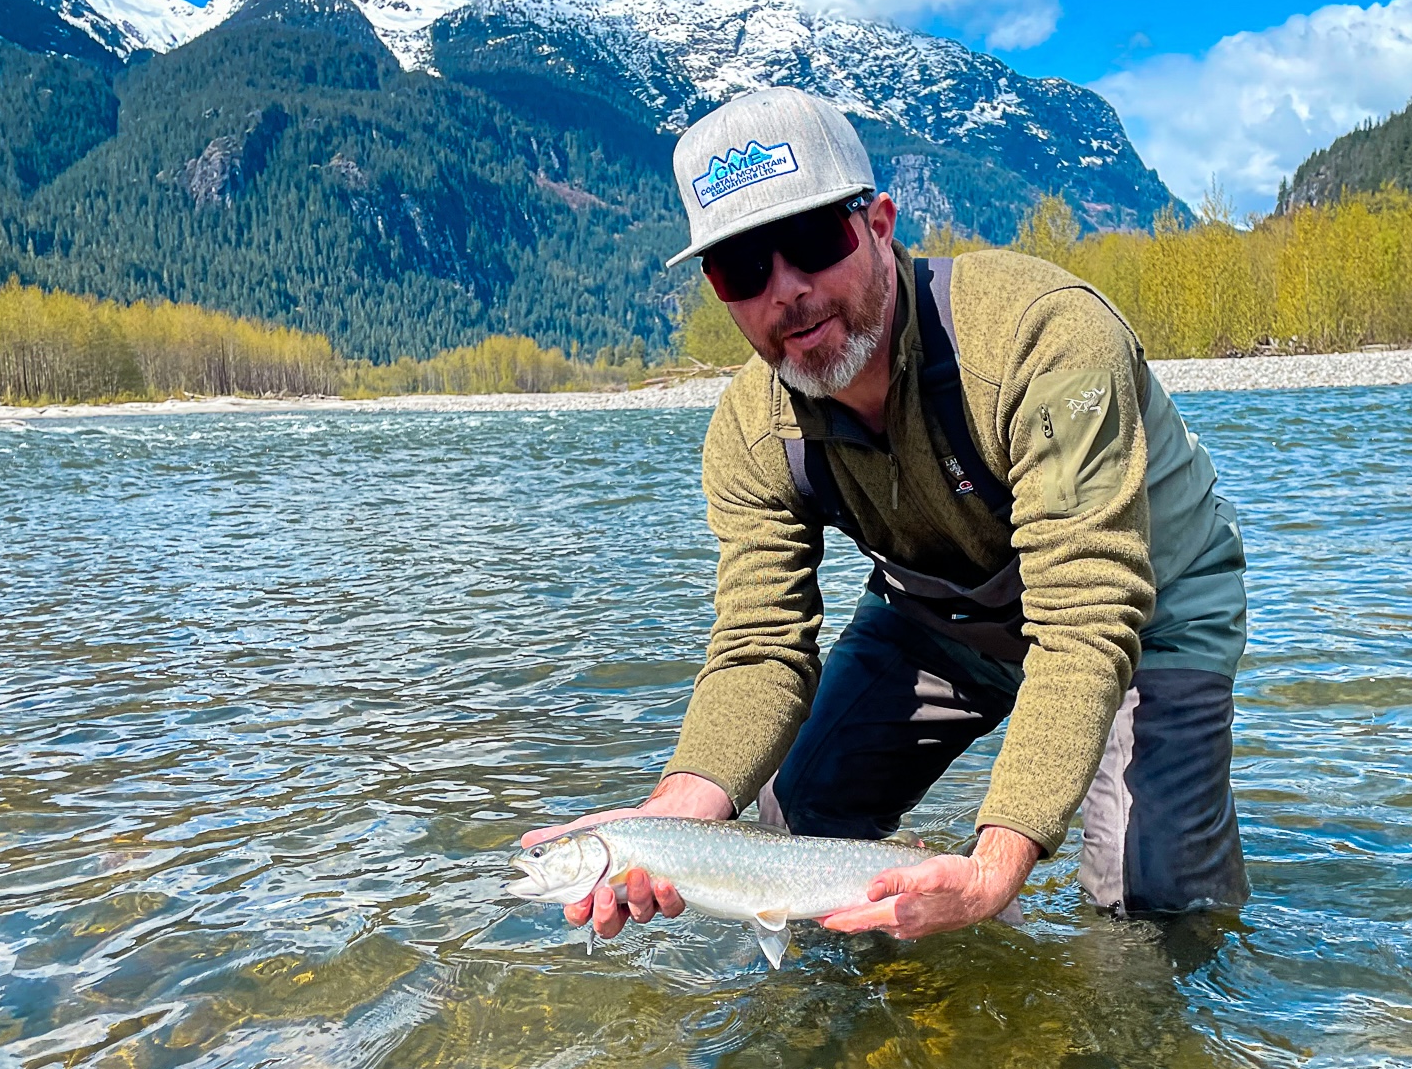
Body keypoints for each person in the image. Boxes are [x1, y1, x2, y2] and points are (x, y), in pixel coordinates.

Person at [523, 86, 1247, 944]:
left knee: (1148, 909)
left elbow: (1087, 617)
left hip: (1143, 614)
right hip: (937, 613)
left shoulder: (1044, 339)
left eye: (811, 242)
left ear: (880, 224)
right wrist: (666, 822)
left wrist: (994, 863)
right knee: (793, 823)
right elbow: (760, 645)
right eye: (742, 270)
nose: (785, 292)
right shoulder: (752, 432)